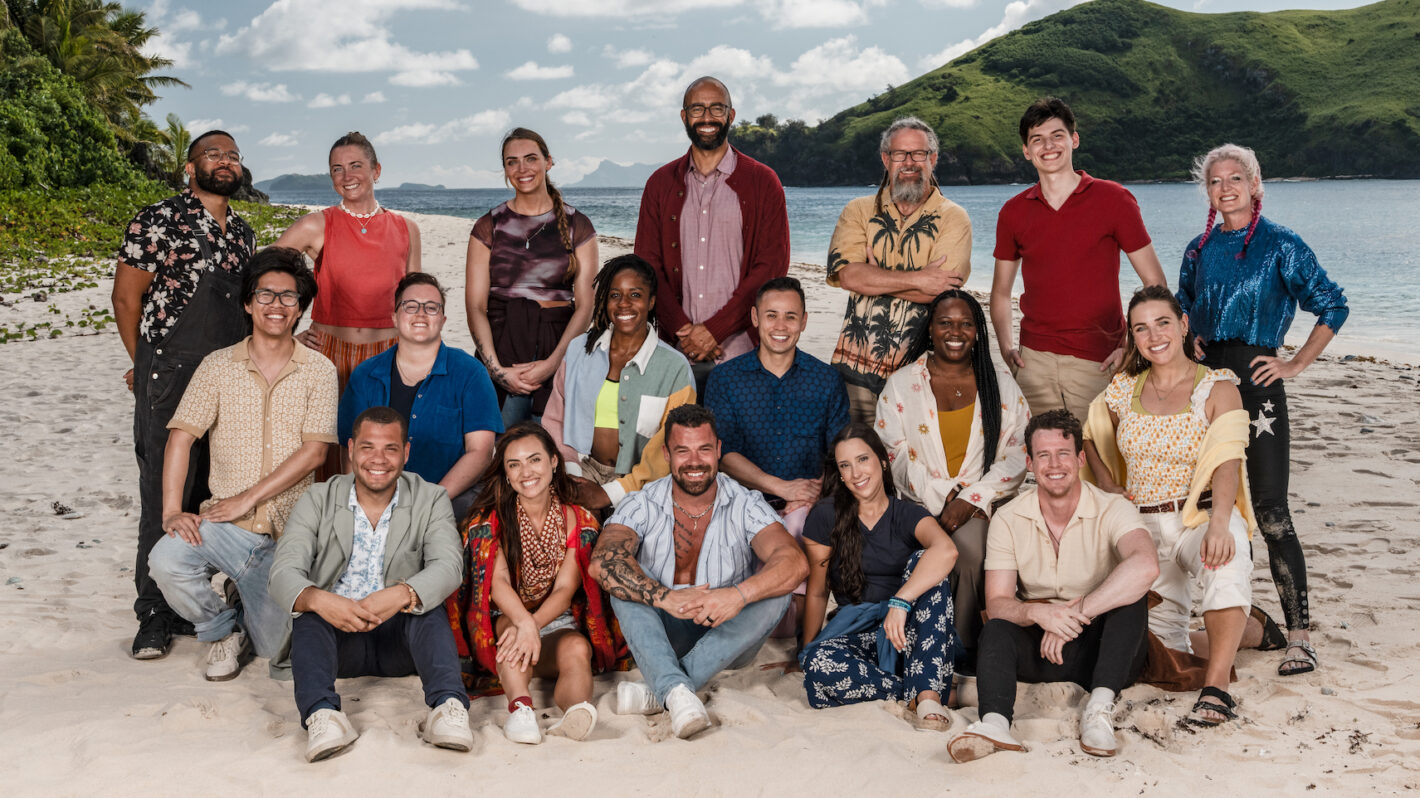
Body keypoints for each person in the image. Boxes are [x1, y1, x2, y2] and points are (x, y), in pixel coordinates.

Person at [1176, 143, 1348, 677]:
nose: (1225, 188)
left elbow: (1333, 303)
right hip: (1206, 388)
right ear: (1206, 191)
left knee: (1272, 512)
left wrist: (1294, 363)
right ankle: (1226, 620)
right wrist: (1189, 337)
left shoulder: (1282, 244)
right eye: (1215, 181)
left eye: (1236, 178)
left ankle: (1299, 637)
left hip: (1258, 386)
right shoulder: (1198, 250)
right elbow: (1182, 307)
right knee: (1210, 507)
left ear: (1255, 185)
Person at [147, 247, 338, 681]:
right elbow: (181, 438)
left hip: (289, 533)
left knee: (274, 651)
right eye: (265, 294)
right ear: (248, 304)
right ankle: (221, 629)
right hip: (226, 528)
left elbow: (315, 452)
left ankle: (242, 595)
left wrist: (246, 499)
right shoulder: (217, 366)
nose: (276, 305)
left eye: (288, 297)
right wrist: (172, 511)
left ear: (300, 309)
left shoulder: (320, 370)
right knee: (166, 561)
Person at [1083, 286, 1259, 728]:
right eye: (1141, 328)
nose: (1154, 335)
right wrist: (1108, 485)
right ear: (1133, 337)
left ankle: (1216, 688)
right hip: (1141, 525)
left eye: (1163, 322)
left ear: (1183, 325)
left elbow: (1228, 459)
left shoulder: (1217, 387)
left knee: (1227, 562)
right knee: (1164, 652)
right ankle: (1255, 631)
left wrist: (1221, 523)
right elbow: (1090, 435)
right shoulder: (1124, 389)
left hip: (1198, 517)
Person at [112, 129, 257, 660]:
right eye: (213, 154)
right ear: (190, 167)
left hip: (227, 377)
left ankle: (190, 599)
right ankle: (153, 614)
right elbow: (126, 299)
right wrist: (144, 363)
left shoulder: (243, 233)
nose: (225, 161)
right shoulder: (158, 219)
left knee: (209, 490)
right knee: (162, 494)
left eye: (233, 155)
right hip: (170, 372)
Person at [947, 410, 1158, 762]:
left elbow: (1146, 564)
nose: (1054, 464)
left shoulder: (1113, 508)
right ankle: (995, 724)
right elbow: (997, 602)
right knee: (996, 628)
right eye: (1043, 455)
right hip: (1042, 649)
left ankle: (1099, 711)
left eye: (1063, 453)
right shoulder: (1008, 517)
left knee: (1132, 598)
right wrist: (1039, 614)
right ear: (1030, 463)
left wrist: (1076, 614)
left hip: (1103, 651)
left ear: (1080, 459)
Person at [587, 405, 808, 739]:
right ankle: (677, 690)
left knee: (778, 590)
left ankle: (664, 689)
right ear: (667, 454)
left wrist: (737, 596)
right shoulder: (641, 503)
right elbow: (602, 561)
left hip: (729, 636)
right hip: (662, 633)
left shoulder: (745, 503)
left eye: (704, 449)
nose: (694, 461)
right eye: (682, 451)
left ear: (718, 450)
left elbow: (794, 562)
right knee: (624, 573)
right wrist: (666, 598)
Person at [268, 406, 472, 762]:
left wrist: (403, 593)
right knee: (309, 613)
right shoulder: (317, 498)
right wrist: (320, 600)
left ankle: (448, 708)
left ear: (406, 452)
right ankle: (323, 715)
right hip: (338, 641)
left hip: (403, 642)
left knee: (427, 606)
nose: (378, 459)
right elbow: (283, 572)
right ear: (351, 449)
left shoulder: (430, 498)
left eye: (390, 448)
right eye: (367, 447)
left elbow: (450, 566)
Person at [991, 97, 1167, 425]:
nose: (1048, 146)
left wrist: (1130, 346)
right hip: (1033, 364)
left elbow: (1155, 283)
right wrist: (1006, 348)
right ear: (1026, 151)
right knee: (1044, 454)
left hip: (1099, 361)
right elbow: (1000, 292)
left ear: (1074, 139)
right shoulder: (1013, 212)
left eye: (1057, 135)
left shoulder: (1114, 199)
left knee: (1102, 455)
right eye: (1037, 139)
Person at [875, 290, 1029, 664]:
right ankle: (921, 646)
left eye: (966, 324)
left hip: (979, 503)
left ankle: (961, 650)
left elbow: (1018, 452)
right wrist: (946, 496)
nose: (955, 332)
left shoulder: (999, 381)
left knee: (972, 550)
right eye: (945, 323)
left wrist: (969, 499)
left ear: (978, 331)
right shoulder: (902, 383)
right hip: (917, 500)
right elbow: (892, 454)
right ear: (930, 328)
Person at [447, 423, 625, 745]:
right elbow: (499, 582)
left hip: (555, 619)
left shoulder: (578, 518)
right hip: (508, 616)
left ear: (553, 461)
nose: (526, 472)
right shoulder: (491, 519)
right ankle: (521, 709)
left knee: (577, 648)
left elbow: (565, 589)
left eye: (534, 460)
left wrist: (536, 624)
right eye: (514, 464)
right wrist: (525, 624)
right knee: (512, 636)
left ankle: (576, 712)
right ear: (505, 472)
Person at [703, 276, 849, 636]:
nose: (780, 326)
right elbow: (723, 453)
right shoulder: (725, 379)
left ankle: (798, 623)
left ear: (804, 321)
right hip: (741, 502)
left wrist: (810, 495)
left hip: (806, 505)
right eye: (771, 315)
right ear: (755, 318)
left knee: (807, 531)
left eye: (790, 316)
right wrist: (781, 488)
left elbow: (839, 452)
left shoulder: (827, 380)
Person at [273, 132, 420, 476]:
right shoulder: (316, 224)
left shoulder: (407, 229)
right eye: (337, 169)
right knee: (327, 452)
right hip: (329, 355)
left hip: (389, 357)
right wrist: (285, 336)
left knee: (383, 451)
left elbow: (414, 302)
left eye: (356, 166)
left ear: (376, 170)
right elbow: (265, 277)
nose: (346, 175)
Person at [634, 76, 790, 396]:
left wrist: (715, 331)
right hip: (673, 352)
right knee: (674, 429)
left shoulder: (763, 181)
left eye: (717, 108)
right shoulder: (659, 184)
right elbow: (646, 266)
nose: (707, 117)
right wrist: (682, 329)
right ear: (684, 116)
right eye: (697, 109)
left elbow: (772, 266)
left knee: (741, 430)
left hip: (743, 352)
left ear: (731, 115)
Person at [799, 424, 959, 724]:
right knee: (818, 663)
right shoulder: (825, 515)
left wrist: (900, 602)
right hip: (858, 635)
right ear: (840, 474)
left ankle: (927, 696)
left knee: (926, 561)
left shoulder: (909, 513)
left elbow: (947, 550)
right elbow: (818, 592)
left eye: (863, 459)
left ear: (883, 462)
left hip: (911, 635)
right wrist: (805, 650)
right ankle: (923, 693)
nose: (855, 473)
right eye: (845, 465)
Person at [826, 117, 973, 423]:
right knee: (849, 449)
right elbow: (848, 276)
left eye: (918, 153)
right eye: (899, 154)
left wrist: (874, 278)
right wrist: (919, 278)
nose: (909, 162)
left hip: (920, 377)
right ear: (886, 159)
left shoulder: (953, 217)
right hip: (852, 372)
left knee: (912, 454)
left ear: (932, 159)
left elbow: (943, 293)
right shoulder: (858, 210)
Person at [339, 273, 502, 521]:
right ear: (395, 317)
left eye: (431, 307)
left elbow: (480, 452)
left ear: (443, 320)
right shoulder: (365, 375)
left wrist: (429, 503)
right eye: (410, 306)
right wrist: (363, 508)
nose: (421, 313)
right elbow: (350, 451)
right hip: (377, 502)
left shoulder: (471, 373)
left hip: (450, 500)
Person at [465, 128, 598, 426]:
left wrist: (553, 363)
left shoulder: (578, 225)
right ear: (505, 169)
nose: (522, 168)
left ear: (548, 162)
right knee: (496, 444)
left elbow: (586, 306)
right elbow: (475, 307)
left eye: (531, 158)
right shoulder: (488, 226)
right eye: (512, 162)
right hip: (502, 347)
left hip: (559, 346)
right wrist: (497, 371)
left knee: (552, 444)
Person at [542, 255, 695, 511]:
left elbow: (673, 444)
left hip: (642, 485)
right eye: (615, 295)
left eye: (635, 295)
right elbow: (555, 419)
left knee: (617, 535)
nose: (624, 304)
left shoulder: (675, 367)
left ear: (651, 301)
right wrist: (571, 475)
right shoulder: (580, 350)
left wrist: (611, 493)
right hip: (579, 472)